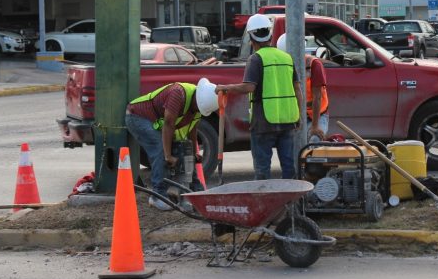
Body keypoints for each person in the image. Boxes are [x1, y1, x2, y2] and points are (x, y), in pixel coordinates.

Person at [215, 14, 304, 180]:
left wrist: (225, 88)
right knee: (289, 168)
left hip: (263, 123)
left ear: (251, 37)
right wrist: (298, 114)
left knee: (263, 170)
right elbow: (298, 89)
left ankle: (265, 202)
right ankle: (291, 204)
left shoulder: (256, 59)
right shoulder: (287, 58)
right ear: (270, 35)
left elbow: (249, 87)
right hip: (287, 120)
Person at [124, 78, 219, 211]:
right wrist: (168, 155)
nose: (198, 110)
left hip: (155, 123)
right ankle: (157, 196)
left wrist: (193, 154)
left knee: (184, 148)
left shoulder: (197, 108)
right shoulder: (178, 93)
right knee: (160, 148)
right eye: (198, 107)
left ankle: (194, 194)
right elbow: (168, 124)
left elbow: (192, 131)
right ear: (197, 100)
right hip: (137, 116)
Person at [276, 33, 329, 143]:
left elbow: (317, 97)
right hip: (296, 114)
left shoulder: (314, 65)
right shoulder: (282, 67)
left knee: (314, 141)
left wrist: (315, 126)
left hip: (317, 114)